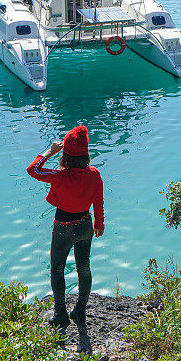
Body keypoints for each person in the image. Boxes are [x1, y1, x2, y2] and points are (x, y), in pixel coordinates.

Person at [27, 124, 104, 331]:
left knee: (57, 269)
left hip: (62, 226)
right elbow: (98, 201)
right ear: (86, 152)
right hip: (85, 224)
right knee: (84, 267)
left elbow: (32, 170)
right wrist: (99, 223)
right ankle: (80, 311)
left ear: (65, 153)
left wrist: (49, 151)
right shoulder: (94, 174)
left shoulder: (60, 176)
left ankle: (60, 314)